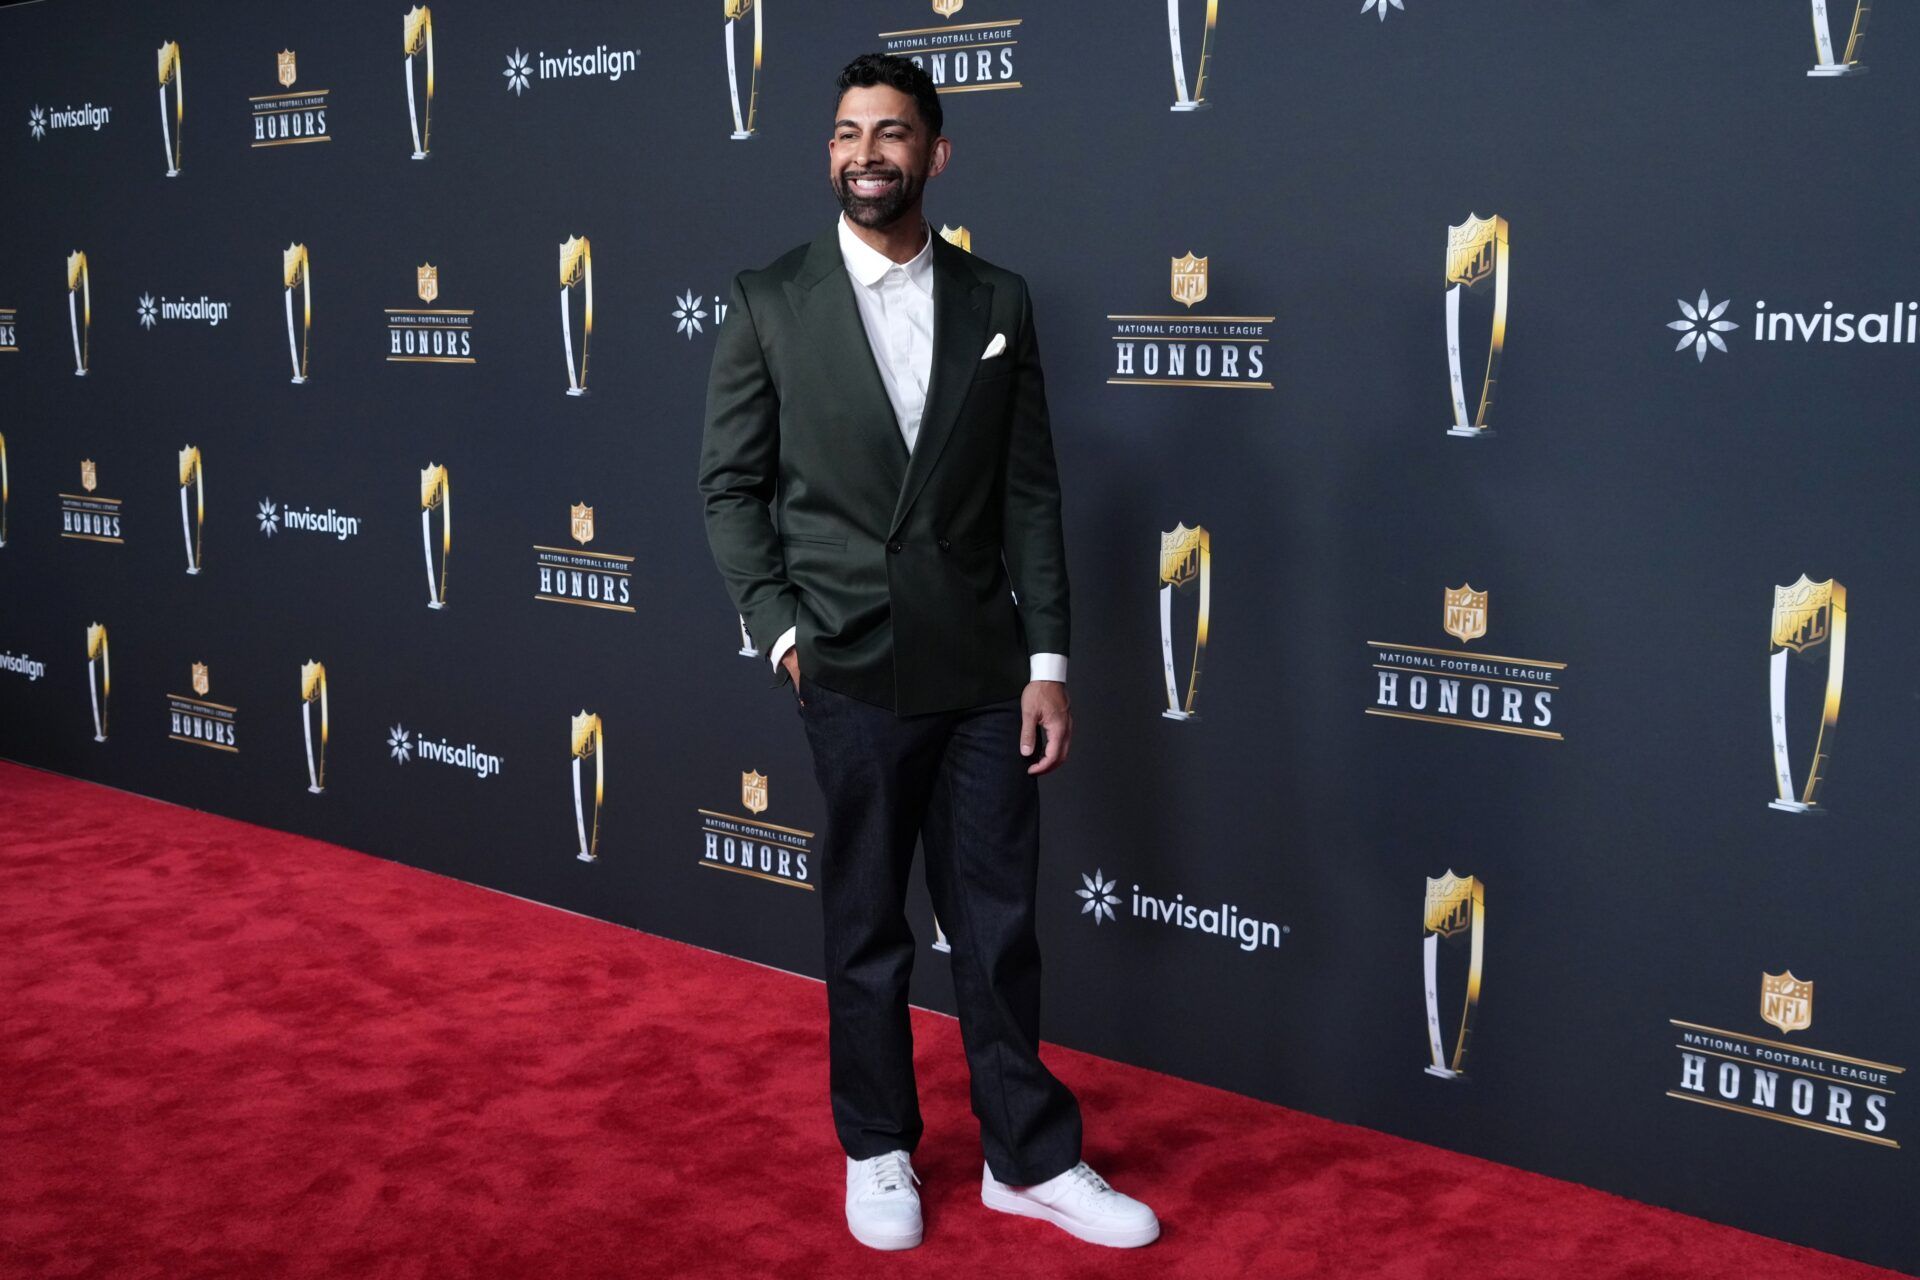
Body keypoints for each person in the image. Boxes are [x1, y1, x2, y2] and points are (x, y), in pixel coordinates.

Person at [698, 53, 1159, 1253]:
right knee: (866, 921)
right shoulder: (768, 298)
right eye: (848, 132)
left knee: (999, 921)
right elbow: (730, 489)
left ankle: (1030, 1157)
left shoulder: (997, 299)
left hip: (982, 669)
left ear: (935, 154)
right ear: (829, 151)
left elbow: (1033, 495)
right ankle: (879, 1145)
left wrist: (1048, 662)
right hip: (846, 663)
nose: (867, 154)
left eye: (892, 134)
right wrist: (782, 631)